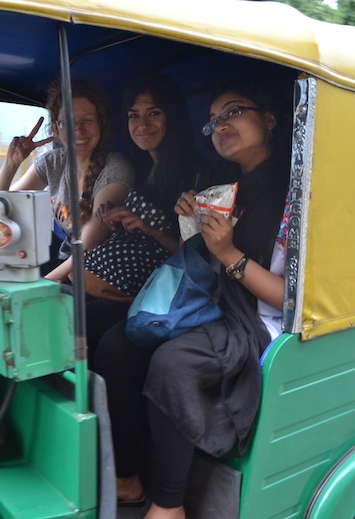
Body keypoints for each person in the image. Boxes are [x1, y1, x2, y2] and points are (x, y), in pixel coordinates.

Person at [95, 80, 291, 518]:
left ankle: (169, 506)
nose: (220, 125)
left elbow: (290, 300)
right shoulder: (228, 187)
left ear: (270, 119)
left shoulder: (294, 196)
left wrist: (230, 254)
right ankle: (127, 477)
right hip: (211, 303)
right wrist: (191, 224)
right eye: (214, 121)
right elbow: (200, 262)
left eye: (234, 112)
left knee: (174, 362)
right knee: (116, 345)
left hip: (255, 322)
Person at [83, 73, 220, 353]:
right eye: (134, 116)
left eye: (154, 113)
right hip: (114, 278)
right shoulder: (142, 170)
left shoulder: (198, 176)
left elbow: (200, 259)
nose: (142, 125)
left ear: (172, 117)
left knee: (82, 326)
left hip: (161, 293)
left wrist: (151, 230)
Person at [0, 78, 134, 282]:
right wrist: (11, 163)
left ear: (101, 124)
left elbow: (86, 247)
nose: (79, 130)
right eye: (68, 122)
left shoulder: (115, 170)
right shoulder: (53, 162)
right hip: (65, 260)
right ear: (57, 129)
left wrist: (39, 287)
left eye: (88, 121)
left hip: (98, 272)